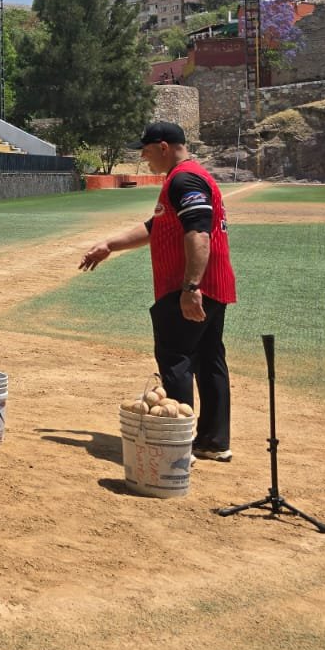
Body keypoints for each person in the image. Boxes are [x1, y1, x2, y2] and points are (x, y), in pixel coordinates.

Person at [79, 121, 237, 461]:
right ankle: (212, 441)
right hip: (215, 285)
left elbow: (198, 233)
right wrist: (110, 244)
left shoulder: (184, 179)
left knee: (176, 359)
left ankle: (176, 445)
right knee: (209, 360)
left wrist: (190, 286)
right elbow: (157, 227)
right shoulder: (189, 178)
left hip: (189, 286)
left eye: (147, 152)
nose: (145, 159)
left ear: (164, 147)